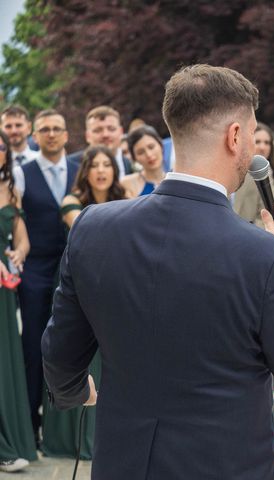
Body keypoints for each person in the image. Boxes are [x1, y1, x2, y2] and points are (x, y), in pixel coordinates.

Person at [41, 64, 274, 480]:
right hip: (228, 465)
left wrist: (76, 391)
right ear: (234, 136)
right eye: (250, 132)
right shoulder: (264, 254)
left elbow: (60, 356)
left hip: (125, 464)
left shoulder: (93, 227)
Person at [40, 146, 126, 460]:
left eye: (108, 164)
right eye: (95, 165)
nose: (102, 170)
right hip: (77, 284)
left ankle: (104, 436)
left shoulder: (126, 196)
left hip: (116, 286)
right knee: (72, 351)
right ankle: (66, 440)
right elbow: (88, 228)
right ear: (85, 170)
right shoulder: (71, 201)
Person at [13, 109, 80, 439]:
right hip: (36, 270)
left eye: (57, 129)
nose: (51, 134)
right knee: (33, 344)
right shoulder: (21, 173)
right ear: (34, 136)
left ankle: (66, 423)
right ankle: (31, 423)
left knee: (72, 341)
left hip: (75, 268)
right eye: (44, 130)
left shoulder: (81, 171)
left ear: (67, 135)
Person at [0, 130, 36, 473]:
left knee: (4, 361)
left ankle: (9, 442)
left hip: (2, 287)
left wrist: (18, 254)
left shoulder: (11, 190)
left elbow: (22, 238)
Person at [233, 122, 274, 226]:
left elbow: (270, 218)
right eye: (258, 141)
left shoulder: (268, 173)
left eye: (267, 143)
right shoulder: (233, 169)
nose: (262, 147)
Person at [67, 106, 133, 179]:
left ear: (121, 132)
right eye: (98, 130)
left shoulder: (132, 166)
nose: (105, 135)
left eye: (111, 129)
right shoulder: (70, 165)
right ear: (87, 136)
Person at [121, 125, 166, 197]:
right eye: (141, 152)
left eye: (151, 147)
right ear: (134, 158)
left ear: (161, 145)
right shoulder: (127, 184)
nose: (149, 155)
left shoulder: (175, 180)